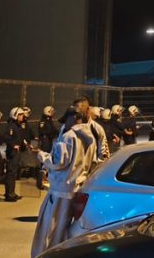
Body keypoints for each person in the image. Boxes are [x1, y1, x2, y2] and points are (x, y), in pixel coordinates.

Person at [30, 108, 96, 257]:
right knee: (65, 229)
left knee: (50, 231)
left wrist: (40, 154)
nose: (64, 124)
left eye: (65, 120)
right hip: (76, 187)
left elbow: (58, 162)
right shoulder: (89, 137)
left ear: (73, 118)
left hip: (61, 190)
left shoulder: (68, 136)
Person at [2, 107, 30, 202]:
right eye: (20, 115)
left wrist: (25, 144)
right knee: (10, 173)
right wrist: (13, 145)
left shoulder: (18, 126)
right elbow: (6, 137)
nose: (22, 116)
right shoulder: (11, 126)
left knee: (14, 173)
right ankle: (8, 194)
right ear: (15, 115)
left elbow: (20, 138)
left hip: (17, 152)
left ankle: (12, 192)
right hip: (12, 152)